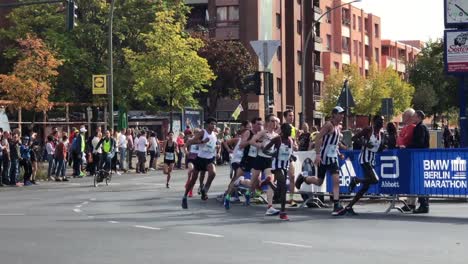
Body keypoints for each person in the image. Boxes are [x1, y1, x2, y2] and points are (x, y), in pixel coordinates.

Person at [295, 106, 346, 215]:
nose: (342, 116)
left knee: (336, 180)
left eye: (343, 114)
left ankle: (336, 205)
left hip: (333, 157)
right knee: (319, 181)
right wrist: (318, 154)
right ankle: (304, 178)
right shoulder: (329, 125)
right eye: (340, 114)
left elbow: (333, 143)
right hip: (324, 157)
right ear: (334, 114)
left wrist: (339, 153)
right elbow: (318, 137)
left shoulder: (338, 127)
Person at [337, 115, 385, 216]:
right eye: (380, 120)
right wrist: (365, 144)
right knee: (375, 180)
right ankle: (356, 180)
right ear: (374, 121)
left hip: (371, 160)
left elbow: (379, 148)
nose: (382, 122)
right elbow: (353, 138)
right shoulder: (368, 130)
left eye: (383, 121)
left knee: (365, 187)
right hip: (364, 159)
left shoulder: (381, 134)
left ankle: (349, 207)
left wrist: (383, 147)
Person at [182, 117, 218, 209]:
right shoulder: (203, 132)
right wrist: (202, 141)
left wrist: (216, 151)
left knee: (213, 173)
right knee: (193, 179)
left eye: (214, 124)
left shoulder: (214, 134)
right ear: (207, 124)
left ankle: (204, 190)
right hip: (200, 159)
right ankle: (185, 196)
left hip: (209, 159)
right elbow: (191, 141)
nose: (213, 126)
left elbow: (213, 145)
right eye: (212, 124)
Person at [248, 114, 280, 216]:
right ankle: (243, 186)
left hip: (269, 161)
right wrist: (260, 145)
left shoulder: (276, 136)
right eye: (272, 121)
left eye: (275, 121)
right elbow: (251, 141)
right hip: (259, 159)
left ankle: (270, 207)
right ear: (267, 122)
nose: (274, 123)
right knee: (252, 183)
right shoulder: (263, 132)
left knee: (270, 181)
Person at [263, 123, 294, 221]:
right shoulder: (277, 139)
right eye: (289, 129)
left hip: (285, 166)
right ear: (283, 130)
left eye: (291, 129)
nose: (290, 131)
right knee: (284, 188)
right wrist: (273, 153)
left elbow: (289, 153)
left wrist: (292, 157)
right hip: (276, 166)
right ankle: (283, 212)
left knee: (280, 191)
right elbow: (265, 150)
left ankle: (269, 183)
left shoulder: (290, 141)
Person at [223, 120, 252, 209]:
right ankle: (229, 196)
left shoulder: (252, 138)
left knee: (248, 179)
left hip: (246, 161)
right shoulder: (238, 139)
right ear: (243, 128)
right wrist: (228, 150)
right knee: (237, 178)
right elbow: (224, 142)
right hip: (236, 161)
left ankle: (243, 193)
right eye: (248, 127)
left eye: (251, 127)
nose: (250, 129)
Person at [408, 110, 430, 214]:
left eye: (415, 116)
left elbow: (419, 143)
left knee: (418, 182)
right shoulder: (423, 127)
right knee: (421, 181)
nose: (413, 118)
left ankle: (423, 204)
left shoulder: (420, 127)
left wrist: (407, 147)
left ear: (419, 117)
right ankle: (425, 204)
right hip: (422, 156)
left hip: (419, 157)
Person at [397, 108, 417, 212]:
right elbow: (399, 139)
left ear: (409, 117)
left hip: (410, 157)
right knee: (408, 180)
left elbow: (404, 139)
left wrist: (400, 141)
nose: (402, 117)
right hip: (405, 156)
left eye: (404, 115)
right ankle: (409, 202)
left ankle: (412, 203)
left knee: (412, 180)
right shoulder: (405, 127)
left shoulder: (412, 127)